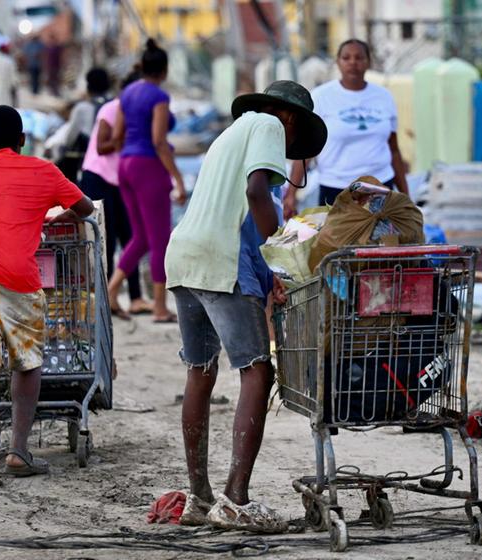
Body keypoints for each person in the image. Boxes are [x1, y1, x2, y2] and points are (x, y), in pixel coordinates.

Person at [163, 81, 326, 532]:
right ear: (290, 118)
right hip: (220, 262)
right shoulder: (270, 125)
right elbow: (256, 194)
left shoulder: (230, 135)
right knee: (257, 370)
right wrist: (281, 255)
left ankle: (199, 497)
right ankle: (236, 498)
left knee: (200, 371)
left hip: (184, 256)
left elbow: (241, 209)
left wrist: (267, 269)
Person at [0, 105, 95, 489]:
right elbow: (85, 208)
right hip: (21, 281)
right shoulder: (44, 171)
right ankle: (18, 451)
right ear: (23, 140)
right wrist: (52, 214)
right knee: (27, 361)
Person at [107, 40, 186, 322]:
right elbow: (159, 141)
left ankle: (111, 290)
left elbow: (116, 136)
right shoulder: (159, 97)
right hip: (148, 167)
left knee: (141, 237)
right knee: (159, 238)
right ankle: (160, 307)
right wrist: (178, 179)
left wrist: (129, 157)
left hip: (126, 165)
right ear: (164, 70)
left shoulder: (127, 93)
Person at [286, 39, 408, 216]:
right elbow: (306, 151)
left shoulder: (384, 97)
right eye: (346, 58)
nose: (353, 62)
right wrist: (291, 195)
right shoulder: (321, 97)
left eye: (359, 57)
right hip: (335, 189)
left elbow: (394, 149)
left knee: (381, 234)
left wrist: (406, 196)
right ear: (338, 62)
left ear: (368, 62)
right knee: (336, 235)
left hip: (380, 187)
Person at [78, 70, 149, 318]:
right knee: (105, 238)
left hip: (122, 180)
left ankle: (136, 297)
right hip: (99, 178)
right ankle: (107, 299)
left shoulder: (142, 114)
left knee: (131, 236)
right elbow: (102, 146)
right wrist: (125, 138)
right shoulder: (111, 109)